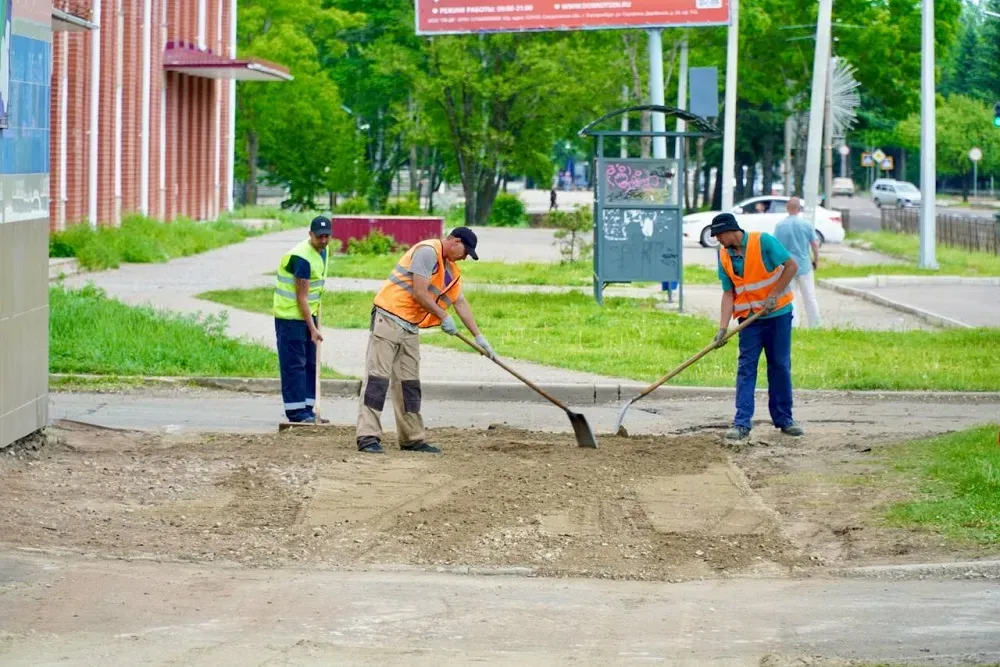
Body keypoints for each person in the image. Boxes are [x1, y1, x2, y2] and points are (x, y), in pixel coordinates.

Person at [356, 227, 494, 455]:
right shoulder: (427, 252)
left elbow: (460, 302)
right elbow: (419, 291)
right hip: (389, 317)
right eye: (465, 251)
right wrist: (443, 316)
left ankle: (412, 438)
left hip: (410, 326)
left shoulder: (451, 270)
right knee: (377, 379)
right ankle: (367, 436)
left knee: (409, 384)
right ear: (455, 241)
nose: (465, 256)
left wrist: (478, 337)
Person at [710, 212, 804, 440]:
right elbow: (728, 292)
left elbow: (791, 266)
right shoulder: (723, 256)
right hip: (749, 321)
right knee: (746, 368)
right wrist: (723, 328)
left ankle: (784, 419)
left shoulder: (763, 241)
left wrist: (773, 294)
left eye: (719, 235)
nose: (718, 240)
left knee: (780, 366)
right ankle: (742, 423)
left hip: (778, 314)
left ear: (730, 231)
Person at [273, 215, 332, 424]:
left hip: (308, 316)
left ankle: (309, 409)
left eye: (327, 236)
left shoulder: (323, 251)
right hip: (290, 317)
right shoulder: (302, 258)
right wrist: (313, 328)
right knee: (294, 365)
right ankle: (296, 412)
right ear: (310, 235)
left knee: (310, 362)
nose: (324, 240)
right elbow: (301, 297)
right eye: (319, 237)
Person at [774, 197, 822, 328]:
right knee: (810, 296)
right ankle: (815, 324)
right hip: (804, 265)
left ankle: (794, 324)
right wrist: (816, 260)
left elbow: (776, 247)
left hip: (787, 267)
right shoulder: (806, 225)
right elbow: (814, 245)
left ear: (787, 208)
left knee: (791, 297)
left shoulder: (780, 226)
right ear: (799, 209)